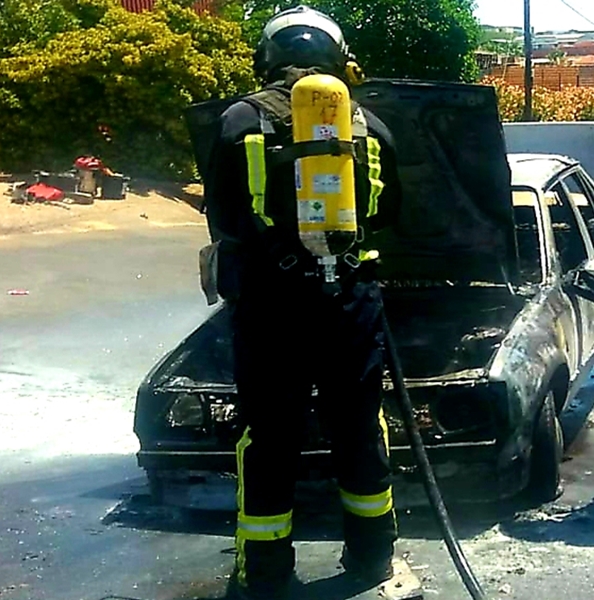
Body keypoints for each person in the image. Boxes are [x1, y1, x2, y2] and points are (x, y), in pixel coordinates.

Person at [198, 6, 403, 598]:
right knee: (360, 428)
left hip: (269, 303)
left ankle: (264, 573)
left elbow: (225, 214)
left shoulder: (239, 119)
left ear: (267, 56)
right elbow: (391, 215)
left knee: (268, 436)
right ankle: (372, 558)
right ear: (337, 59)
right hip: (349, 300)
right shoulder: (367, 124)